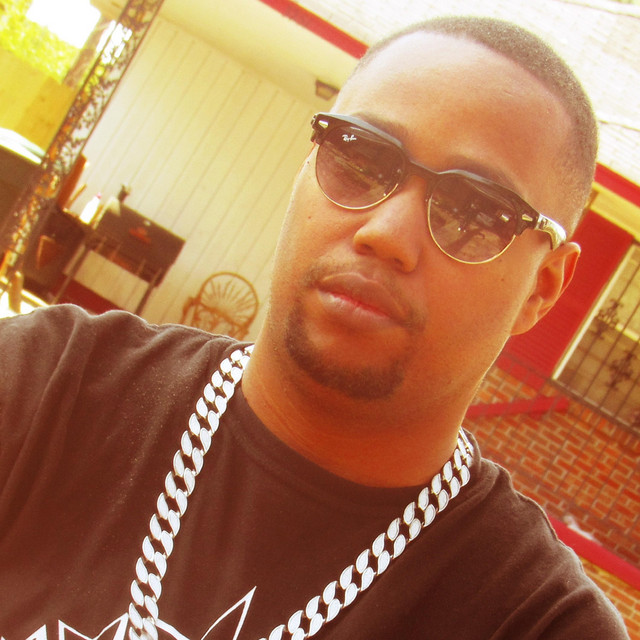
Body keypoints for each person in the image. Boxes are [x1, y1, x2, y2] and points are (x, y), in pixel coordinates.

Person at [0, 14, 630, 640]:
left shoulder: (537, 623)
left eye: (477, 211)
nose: (386, 234)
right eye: (360, 156)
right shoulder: (52, 385)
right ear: (307, 165)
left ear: (542, 286)